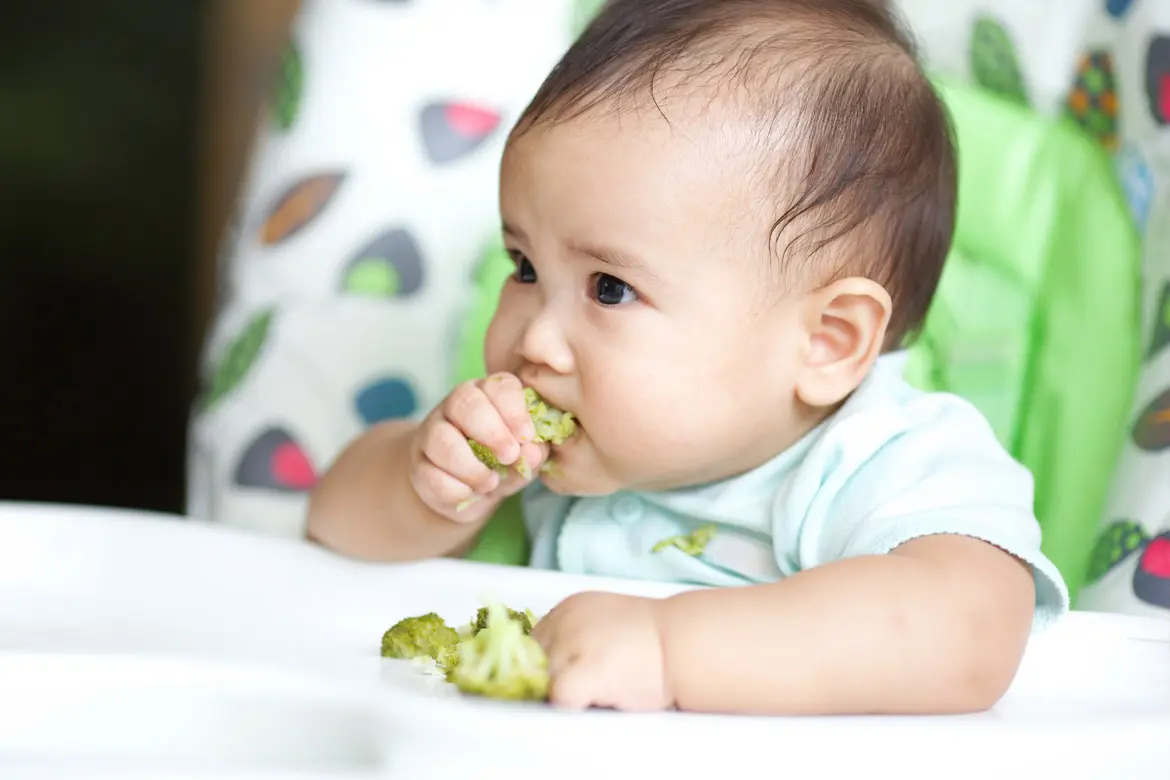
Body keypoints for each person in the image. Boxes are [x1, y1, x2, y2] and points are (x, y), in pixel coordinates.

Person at [307, 0, 1069, 716]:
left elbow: (969, 631)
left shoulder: (882, 461)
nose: (534, 340)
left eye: (610, 287)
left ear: (826, 342)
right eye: (524, 266)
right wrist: (430, 487)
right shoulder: (551, 449)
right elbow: (333, 527)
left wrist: (670, 650)